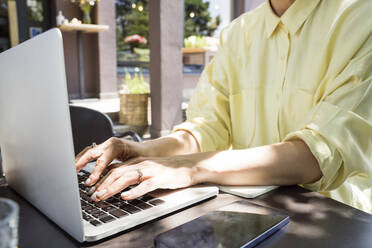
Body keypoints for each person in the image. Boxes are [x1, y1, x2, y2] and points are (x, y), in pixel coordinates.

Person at [76, 0, 372, 213]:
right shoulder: (238, 33)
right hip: (250, 215)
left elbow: (318, 153)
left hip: (337, 222)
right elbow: (206, 128)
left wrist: (191, 168)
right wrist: (141, 150)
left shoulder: (362, 17)